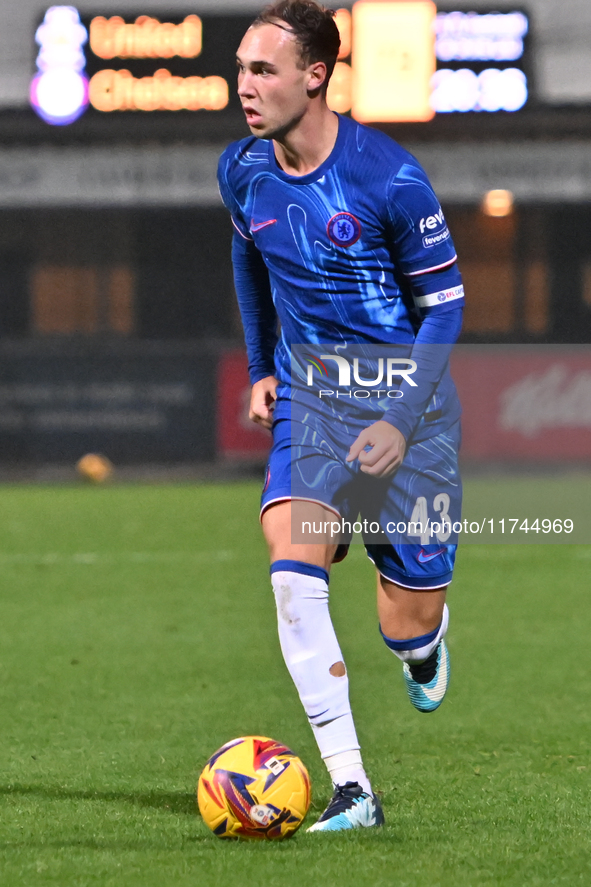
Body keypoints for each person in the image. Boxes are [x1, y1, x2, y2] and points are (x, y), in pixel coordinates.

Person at [217, 0, 464, 832]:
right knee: (292, 569)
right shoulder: (241, 170)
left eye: (262, 71)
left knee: (407, 619)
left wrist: (399, 419)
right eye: (241, 67)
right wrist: (260, 369)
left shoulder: (388, 176)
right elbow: (247, 255)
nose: (243, 85)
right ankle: (353, 788)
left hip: (407, 413)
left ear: (314, 76)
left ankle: (423, 643)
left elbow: (444, 310)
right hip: (312, 405)